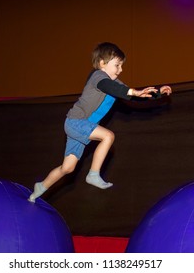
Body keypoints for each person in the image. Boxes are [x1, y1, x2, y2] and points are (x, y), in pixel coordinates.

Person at [28, 42, 172, 203]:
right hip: (76, 122)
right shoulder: (98, 76)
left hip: (81, 126)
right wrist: (131, 91)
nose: (121, 70)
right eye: (117, 65)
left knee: (67, 168)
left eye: (122, 66)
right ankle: (93, 174)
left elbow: (132, 95)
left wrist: (159, 93)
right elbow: (111, 87)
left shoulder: (115, 84)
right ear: (102, 63)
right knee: (108, 136)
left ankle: (39, 188)